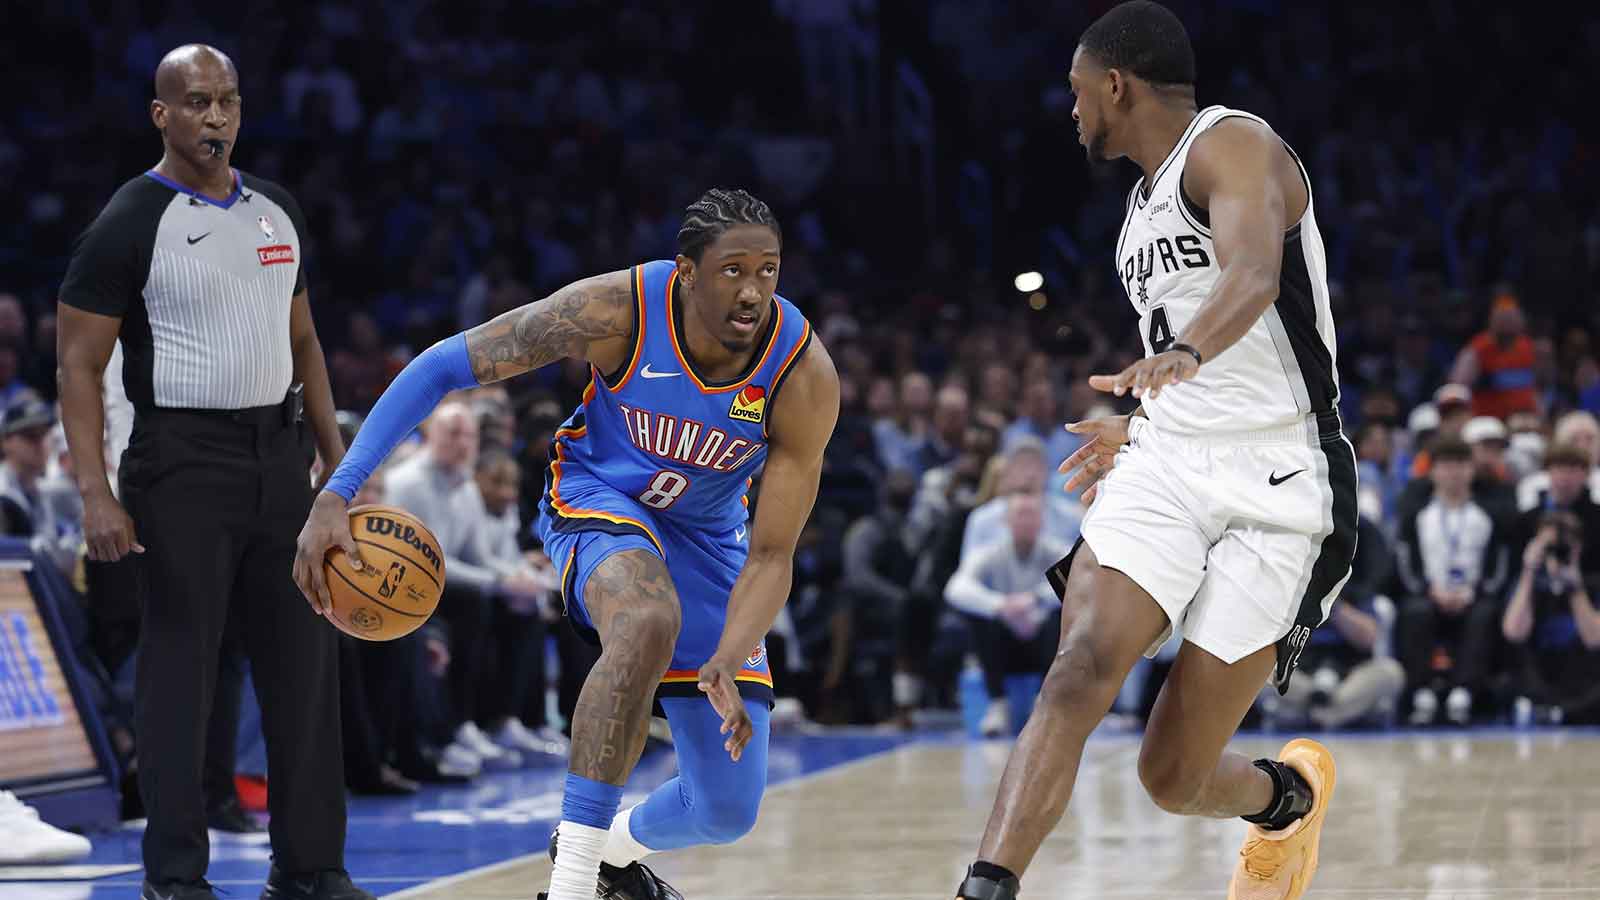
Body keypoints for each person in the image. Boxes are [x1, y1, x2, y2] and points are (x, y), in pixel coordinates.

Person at [294, 188, 839, 900]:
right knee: (646, 620)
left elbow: (772, 556)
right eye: (733, 270)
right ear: (686, 272)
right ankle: (573, 884)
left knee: (726, 809)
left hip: (709, 538)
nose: (754, 290)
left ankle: (609, 852)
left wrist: (729, 659)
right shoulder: (618, 309)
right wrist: (338, 491)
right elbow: (441, 368)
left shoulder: (801, 372)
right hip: (597, 497)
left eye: (768, 271)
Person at [953, 5, 1355, 899]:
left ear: (1113, 84)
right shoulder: (1136, 213)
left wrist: (1182, 356)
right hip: (1171, 460)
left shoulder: (1235, 145)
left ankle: (1286, 802)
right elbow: (1210, 366)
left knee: (1170, 776)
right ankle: (984, 888)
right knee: (1078, 669)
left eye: (1074, 91)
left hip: (1284, 478)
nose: (1071, 112)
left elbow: (1252, 274)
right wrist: (1143, 421)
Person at [54, 45, 365, 900]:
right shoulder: (128, 219)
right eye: (196, 102)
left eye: (227, 100)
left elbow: (304, 344)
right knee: (179, 677)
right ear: (163, 114)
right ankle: (176, 876)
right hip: (181, 464)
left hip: (282, 459)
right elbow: (77, 366)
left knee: (305, 670)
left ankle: (309, 870)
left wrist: (343, 467)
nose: (216, 117)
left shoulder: (277, 211)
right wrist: (95, 492)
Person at [1393, 437, 1509, 726]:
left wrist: (1474, 592)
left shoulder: (1488, 515)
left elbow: (1499, 566)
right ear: (1433, 472)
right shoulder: (1418, 515)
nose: (1454, 472)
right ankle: (1421, 692)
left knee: (1485, 614)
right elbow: (1406, 563)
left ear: (1471, 470)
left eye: (1461, 464)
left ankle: (1464, 693)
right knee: (1414, 611)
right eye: (1446, 465)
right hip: (1430, 593)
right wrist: (1429, 590)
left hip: (1472, 595)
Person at [944, 491, 1071, 737]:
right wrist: (1001, 606)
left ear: (1041, 521)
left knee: (1064, 612)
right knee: (979, 616)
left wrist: (1034, 602)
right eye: (1020, 515)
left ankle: (1044, 702)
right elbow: (955, 589)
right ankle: (997, 704)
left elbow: (1077, 582)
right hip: (1002, 644)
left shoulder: (1057, 551)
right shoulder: (987, 554)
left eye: (1031, 515)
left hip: (1044, 640)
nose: (1026, 521)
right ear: (1006, 521)